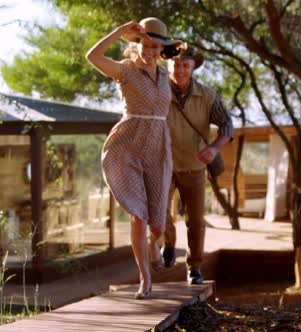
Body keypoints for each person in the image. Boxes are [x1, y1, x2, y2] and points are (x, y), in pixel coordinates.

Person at [86, 17, 182, 299]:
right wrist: (118, 31)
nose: (150, 51)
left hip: (158, 148)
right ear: (137, 43)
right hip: (127, 146)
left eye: (155, 47)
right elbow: (92, 56)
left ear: (161, 49)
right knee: (138, 217)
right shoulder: (125, 70)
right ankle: (145, 279)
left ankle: (153, 244)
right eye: (146, 44)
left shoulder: (165, 75)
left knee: (158, 224)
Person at [163, 46, 234, 284]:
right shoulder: (158, 92)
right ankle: (169, 243)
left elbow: (226, 125)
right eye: (176, 64)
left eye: (185, 65)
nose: (180, 69)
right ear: (167, 65)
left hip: (194, 167)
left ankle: (194, 267)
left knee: (195, 220)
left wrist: (214, 148)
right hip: (164, 164)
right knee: (160, 212)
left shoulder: (207, 95)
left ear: (193, 67)